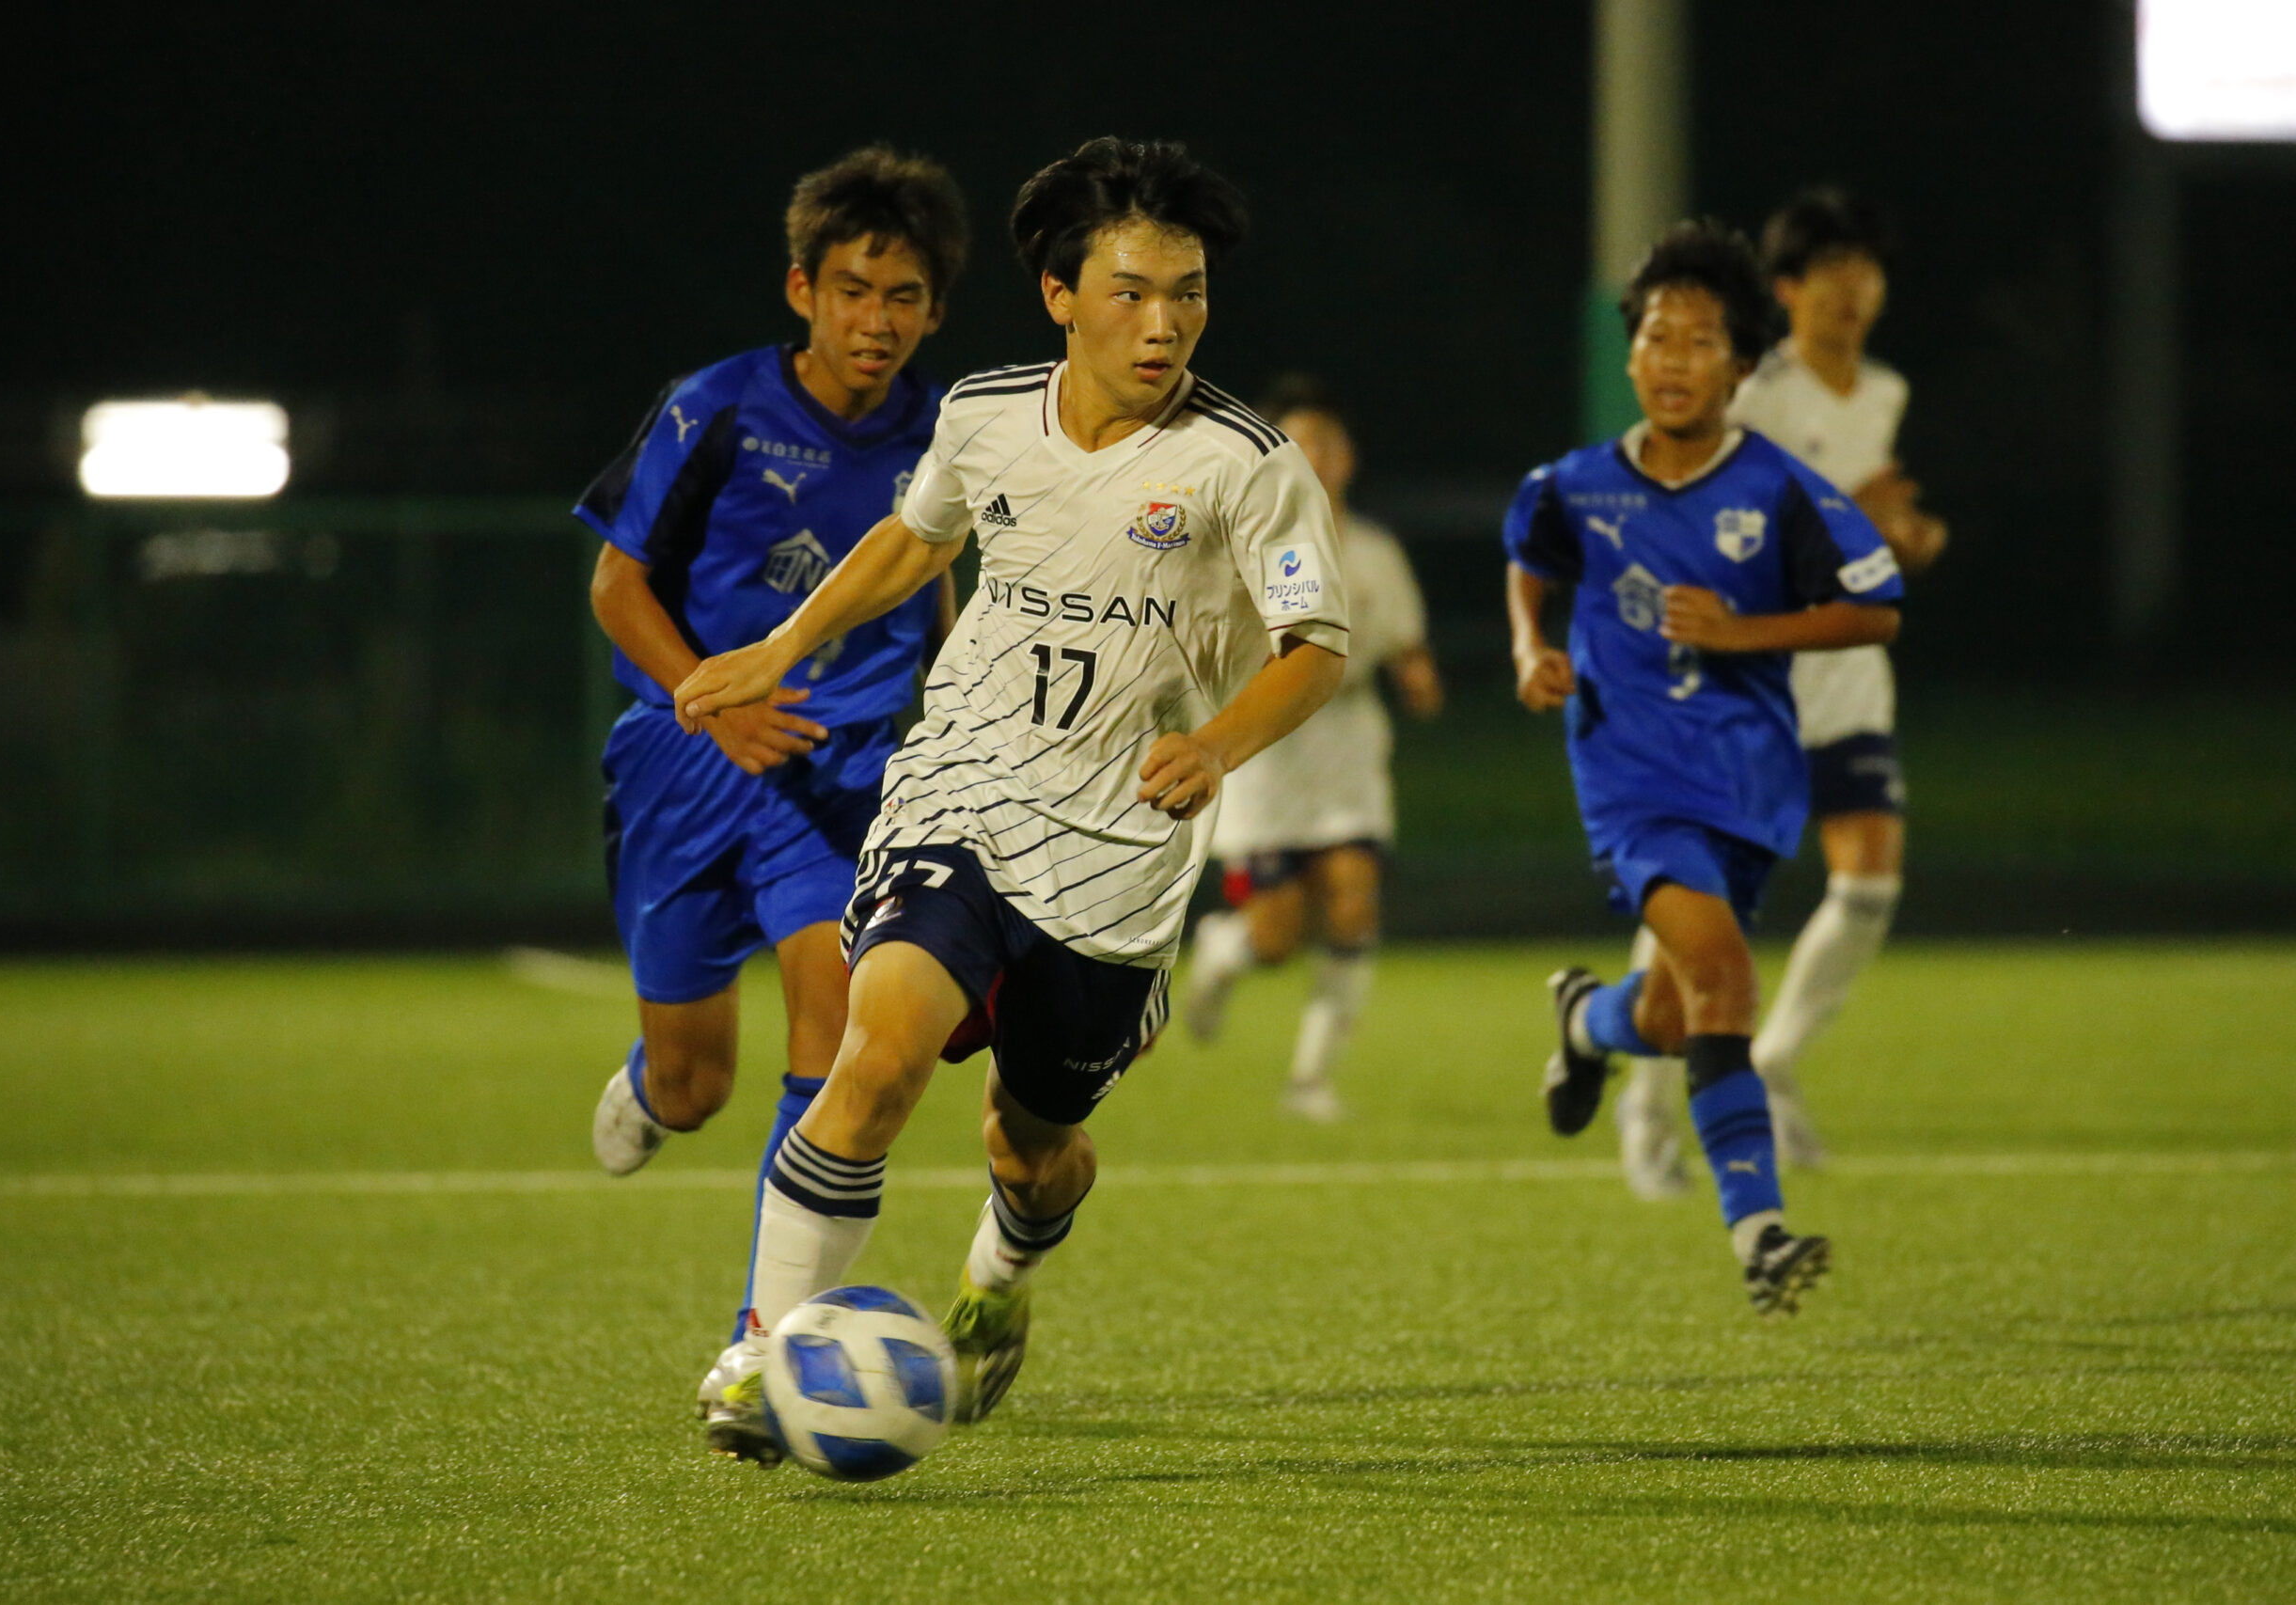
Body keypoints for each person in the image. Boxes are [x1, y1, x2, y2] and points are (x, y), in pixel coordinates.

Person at [674, 136, 1349, 1460]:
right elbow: (918, 537)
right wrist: (781, 645)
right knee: (876, 1060)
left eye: (1189, 294)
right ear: (1059, 294)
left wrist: (1214, 743)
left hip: (1120, 858)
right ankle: (767, 1347)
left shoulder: (1248, 462)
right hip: (963, 790)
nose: (1163, 325)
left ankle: (999, 1269)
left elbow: (1316, 646)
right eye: (1132, 291)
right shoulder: (984, 410)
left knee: (1036, 1144)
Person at [570, 147, 967, 1430]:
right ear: (804, 289)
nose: (879, 320)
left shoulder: (945, 439)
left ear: (934, 312)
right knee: (696, 1087)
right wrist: (713, 694)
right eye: (856, 289)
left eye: (905, 296)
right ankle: (649, 1081)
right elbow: (615, 587)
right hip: (685, 762)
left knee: (843, 1028)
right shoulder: (720, 407)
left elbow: (954, 607)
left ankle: (764, 1343)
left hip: (845, 777)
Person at [1502, 219, 1904, 1316]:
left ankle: (1588, 1021)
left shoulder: (1775, 486)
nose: (1672, 360)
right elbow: (1528, 560)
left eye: (1698, 343)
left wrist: (1741, 635)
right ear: (1628, 354)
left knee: (1678, 1016)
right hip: (1632, 779)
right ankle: (1761, 1236)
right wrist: (1531, 651)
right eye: (1655, 339)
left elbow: (1875, 607)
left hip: (1750, 782)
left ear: (1738, 365)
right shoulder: (1575, 485)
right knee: (1725, 980)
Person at [1612, 188, 1947, 1195]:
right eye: (1833, 280)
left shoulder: (1883, 392)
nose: (1854, 298)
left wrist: (1909, 539)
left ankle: (1774, 1056)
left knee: (1870, 877)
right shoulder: (1755, 394)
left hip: (1843, 673)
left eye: (1867, 278)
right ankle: (1640, 1102)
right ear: (1789, 292)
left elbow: (1868, 517)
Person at [1177, 375, 1442, 1121]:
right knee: (1277, 930)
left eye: (1329, 442)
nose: (1317, 457)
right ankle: (1224, 952)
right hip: (1265, 750)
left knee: (1354, 900)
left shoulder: (1374, 551)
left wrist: (1420, 679)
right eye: (1300, 442)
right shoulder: (1240, 545)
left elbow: (1406, 642)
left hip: (1347, 747)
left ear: (1349, 456)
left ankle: (1309, 1078)